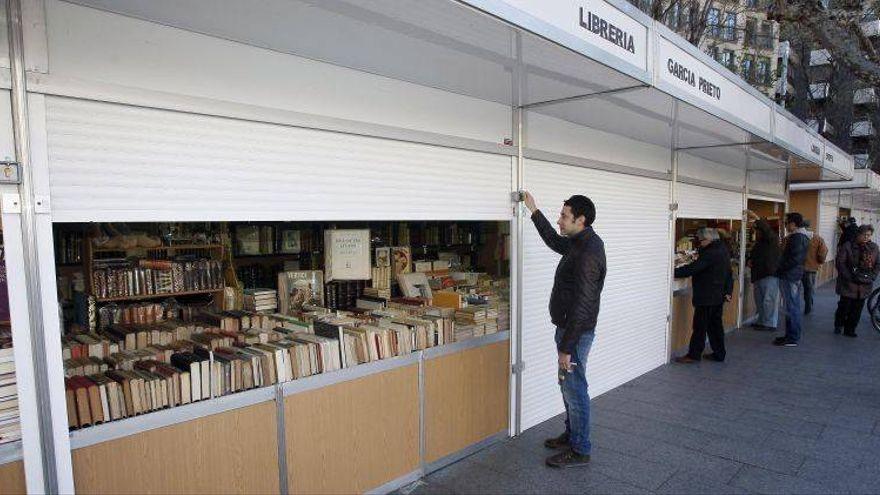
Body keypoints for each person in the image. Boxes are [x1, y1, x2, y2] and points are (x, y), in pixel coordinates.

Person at [522, 190, 606, 469]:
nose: (560, 221)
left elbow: (584, 304)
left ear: (580, 220)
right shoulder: (577, 243)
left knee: (575, 388)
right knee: (567, 385)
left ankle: (580, 448)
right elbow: (553, 240)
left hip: (575, 333)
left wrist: (566, 347)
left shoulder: (588, 253)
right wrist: (533, 211)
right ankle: (572, 435)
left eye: (564, 216)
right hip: (569, 329)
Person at [672, 228, 733, 363]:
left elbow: (693, 269)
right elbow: (729, 273)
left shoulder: (711, 253)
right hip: (718, 296)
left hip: (707, 296)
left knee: (700, 327)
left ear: (709, 239)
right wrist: (728, 291)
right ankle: (719, 353)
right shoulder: (723, 250)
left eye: (701, 241)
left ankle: (693, 355)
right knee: (715, 327)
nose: (700, 243)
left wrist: (671, 271)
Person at [834, 225, 880, 337]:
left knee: (857, 309)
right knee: (844, 307)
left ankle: (850, 329)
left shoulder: (874, 247)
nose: (866, 237)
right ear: (858, 234)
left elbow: (877, 264)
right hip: (848, 284)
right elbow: (840, 263)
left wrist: (872, 276)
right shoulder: (848, 246)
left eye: (868, 235)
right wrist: (848, 276)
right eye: (864, 234)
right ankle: (839, 325)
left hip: (864, 284)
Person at [773, 213, 810, 347]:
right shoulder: (799, 237)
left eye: (786, 223)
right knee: (791, 306)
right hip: (792, 275)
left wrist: (780, 269)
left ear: (794, 224)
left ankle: (792, 337)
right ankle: (789, 335)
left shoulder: (798, 238)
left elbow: (794, 259)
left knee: (792, 307)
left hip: (790, 276)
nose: (785, 226)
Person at [747, 214, 781, 330]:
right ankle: (762, 321)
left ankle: (770, 324)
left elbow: (767, 231)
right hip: (759, 273)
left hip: (769, 273)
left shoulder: (772, 239)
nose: (756, 233)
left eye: (757, 230)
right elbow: (756, 255)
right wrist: (750, 260)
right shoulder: (760, 242)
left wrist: (757, 218)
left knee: (769, 300)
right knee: (760, 300)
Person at [802, 220, 828, 315]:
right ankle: (808, 307)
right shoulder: (818, 238)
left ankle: (796, 308)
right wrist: (819, 262)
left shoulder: (794, 237)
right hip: (811, 268)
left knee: (795, 290)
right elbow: (823, 252)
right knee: (809, 289)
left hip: (797, 267)